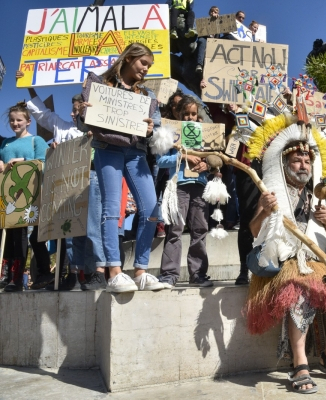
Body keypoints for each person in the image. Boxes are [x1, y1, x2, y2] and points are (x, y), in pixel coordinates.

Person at [245, 115, 326, 394]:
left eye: (307, 161)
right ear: (285, 165)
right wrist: (263, 208)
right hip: (282, 262)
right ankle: (299, 362)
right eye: (297, 161)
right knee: (299, 292)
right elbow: (253, 231)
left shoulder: (317, 196)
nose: (303, 165)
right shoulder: (270, 192)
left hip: (313, 261)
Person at [80, 43, 164, 293]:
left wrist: (151, 130)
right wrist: (83, 115)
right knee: (111, 209)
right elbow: (84, 126)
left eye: (148, 66)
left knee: (151, 208)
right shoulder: (100, 86)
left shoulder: (147, 95)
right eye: (143, 63)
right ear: (128, 59)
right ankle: (115, 272)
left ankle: (141, 270)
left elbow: (156, 129)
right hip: (108, 149)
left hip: (136, 153)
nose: (145, 69)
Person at [17, 73, 106, 291]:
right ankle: (74, 274)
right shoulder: (62, 127)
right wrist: (29, 86)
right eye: (73, 110)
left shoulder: (100, 129)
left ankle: (99, 272)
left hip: (90, 180)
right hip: (66, 184)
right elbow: (42, 114)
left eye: (77, 110)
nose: (72, 113)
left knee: (92, 228)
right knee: (71, 229)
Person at [156, 95, 212, 288]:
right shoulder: (170, 134)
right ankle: (169, 274)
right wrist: (181, 156)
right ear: (178, 114)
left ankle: (197, 274)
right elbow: (160, 161)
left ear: (198, 116)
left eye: (193, 114)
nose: (190, 117)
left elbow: (214, 158)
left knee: (200, 229)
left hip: (200, 186)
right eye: (186, 114)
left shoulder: (205, 134)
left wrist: (207, 165)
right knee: (175, 230)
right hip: (178, 186)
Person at [0, 101, 52, 291]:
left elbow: (43, 162)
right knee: (11, 236)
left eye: (19, 120)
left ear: (28, 121)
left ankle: (42, 273)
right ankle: (10, 276)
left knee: (31, 236)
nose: (15, 123)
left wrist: (23, 161)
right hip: (10, 196)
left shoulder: (36, 140)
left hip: (32, 193)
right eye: (12, 120)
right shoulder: (5, 143)